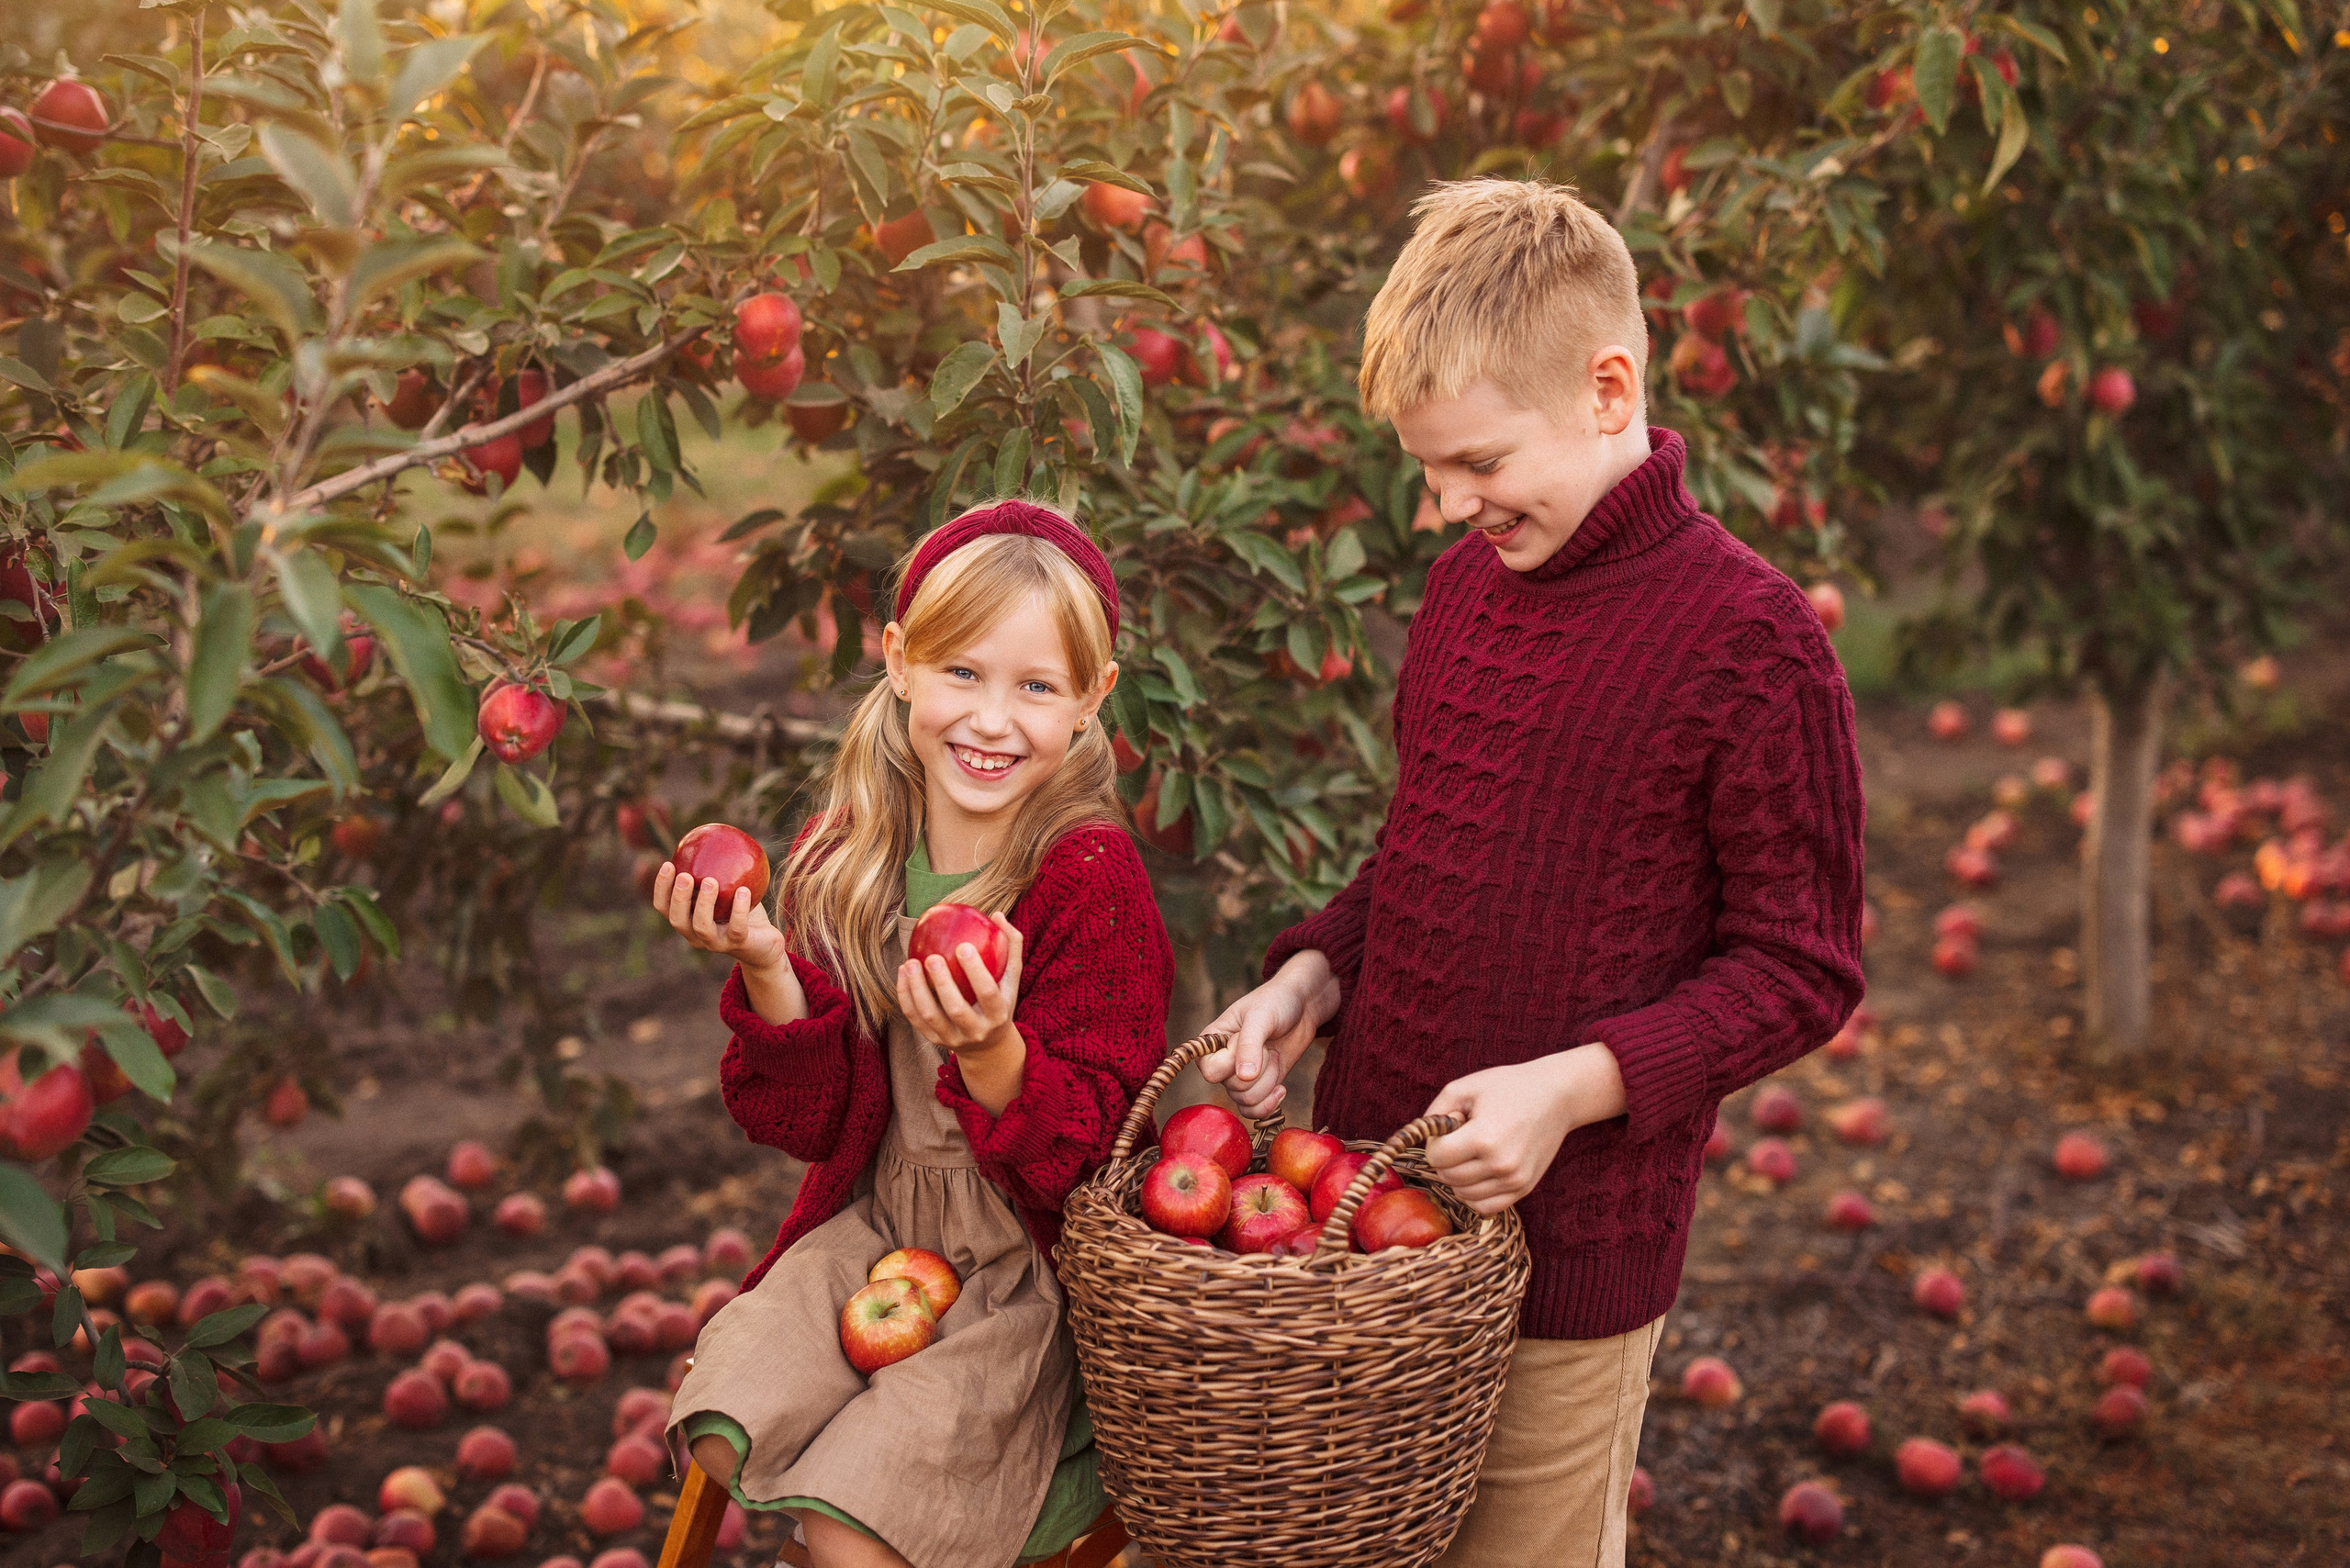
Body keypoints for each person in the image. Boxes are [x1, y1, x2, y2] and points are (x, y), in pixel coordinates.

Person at [1202, 178, 1866, 1568]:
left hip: (1568, 1255)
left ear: (1610, 389)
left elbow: (1802, 968)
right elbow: (1429, 850)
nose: (1448, 504)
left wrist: (1573, 1090)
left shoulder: (1752, 643)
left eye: (1482, 465)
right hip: (1363, 1215)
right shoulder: (1464, 598)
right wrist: (1316, 972)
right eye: (1429, 470)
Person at [657, 499, 1173, 1568]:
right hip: (879, 1223)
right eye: (961, 674)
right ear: (898, 663)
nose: (991, 719)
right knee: (723, 1418)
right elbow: (808, 1119)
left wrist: (991, 1052)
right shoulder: (850, 851)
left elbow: (1090, 1158)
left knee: (852, 1521)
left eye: (1036, 687)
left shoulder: (1086, 880)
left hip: (1025, 1274)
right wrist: (763, 960)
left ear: (1091, 701)